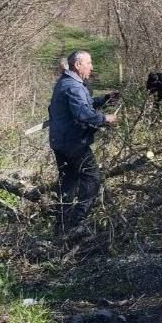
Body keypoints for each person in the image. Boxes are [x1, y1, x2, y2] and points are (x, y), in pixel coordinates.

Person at [48, 50, 119, 237]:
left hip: (60, 141)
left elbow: (83, 105)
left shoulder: (66, 82)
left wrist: (105, 99)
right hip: (73, 143)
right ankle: (78, 222)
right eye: (89, 63)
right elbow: (83, 114)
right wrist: (105, 118)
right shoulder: (74, 86)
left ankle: (62, 226)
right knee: (92, 178)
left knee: (68, 183)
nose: (91, 67)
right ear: (77, 65)